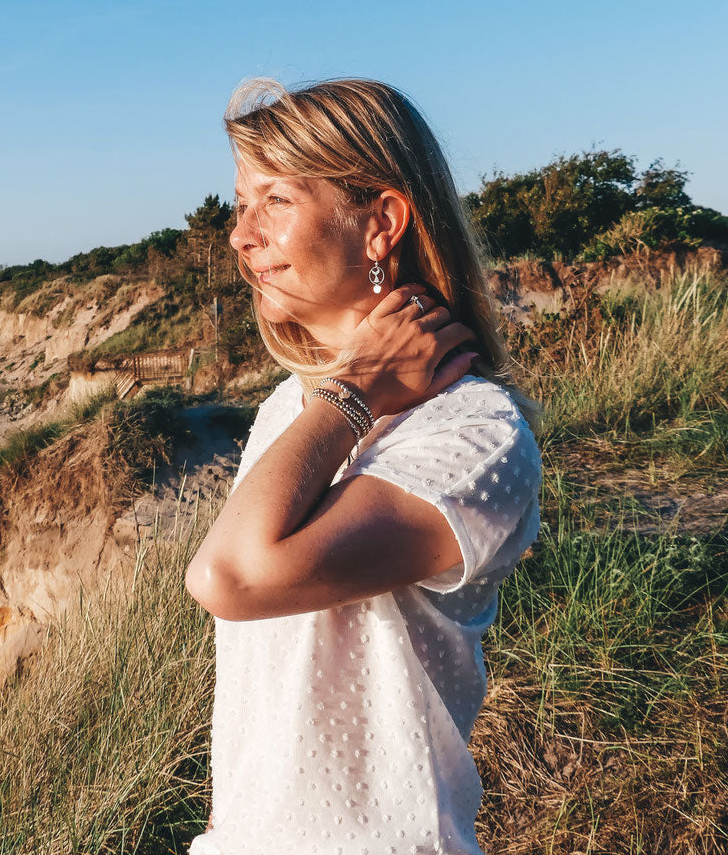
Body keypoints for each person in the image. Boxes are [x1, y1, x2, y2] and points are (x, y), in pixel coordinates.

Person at [185, 77, 542, 855]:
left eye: (275, 200)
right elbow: (259, 675)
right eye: (240, 205)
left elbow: (231, 577)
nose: (242, 236)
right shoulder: (294, 406)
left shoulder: (475, 431)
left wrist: (357, 391)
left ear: (379, 222)